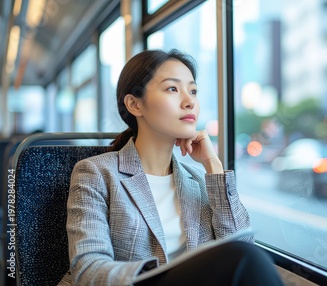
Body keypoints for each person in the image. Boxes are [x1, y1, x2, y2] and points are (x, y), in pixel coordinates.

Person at [58, 49, 283, 286]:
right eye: (172, 89)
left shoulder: (197, 180)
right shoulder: (96, 173)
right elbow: (89, 271)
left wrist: (213, 165)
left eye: (193, 91)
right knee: (244, 259)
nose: (189, 102)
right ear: (135, 104)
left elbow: (241, 245)